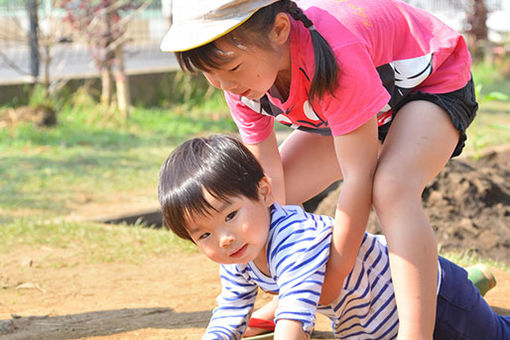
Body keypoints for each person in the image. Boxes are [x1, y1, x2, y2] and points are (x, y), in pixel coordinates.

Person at [160, 1, 479, 338]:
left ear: (280, 30)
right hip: (362, 107)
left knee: (390, 187)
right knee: (254, 196)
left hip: (428, 86)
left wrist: (336, 272)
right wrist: (298, 283)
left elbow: (359, 177)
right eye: (210, 74)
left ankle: (416, 333)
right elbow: (267, 179)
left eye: (232, 68)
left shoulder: (336, 54)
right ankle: (294, 292)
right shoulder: (240, 83)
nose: (225, 86)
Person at [157, 134, 509, 340]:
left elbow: (294, 317)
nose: (224, 239)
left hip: (436, 301)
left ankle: (473, 291)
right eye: (204, 233)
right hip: (377, 326)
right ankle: (476, 286)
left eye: (230, 215)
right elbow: (231, 309)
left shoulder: (294, 240)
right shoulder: (240, 255)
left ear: (265, 192)